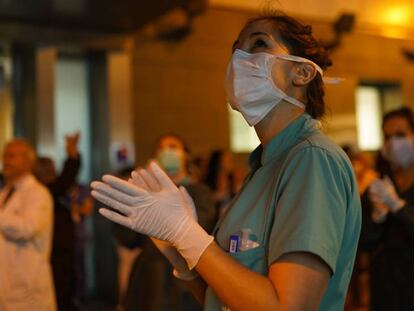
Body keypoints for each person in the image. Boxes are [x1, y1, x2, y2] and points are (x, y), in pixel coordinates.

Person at [91, 11, 361, 311]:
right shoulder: (262, 169)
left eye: (259, 44)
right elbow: (222, 297)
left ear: (302, 73)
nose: (240, 59)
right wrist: (178, 249)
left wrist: (188, 234)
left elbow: (287, 306)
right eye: (236, 50)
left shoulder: (311, 160)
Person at [125, 134, 216, 311]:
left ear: (185, 155)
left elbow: (201, 227)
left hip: (184, 281)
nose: (167, 151)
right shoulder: (147, 193)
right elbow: (129, 238)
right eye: (162, 148)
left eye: (173, 147)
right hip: (150, 277)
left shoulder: (199, 191)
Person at [362, 107, 414, 311]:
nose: (393, 143)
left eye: (400, 135)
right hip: (387, 289)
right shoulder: (380, 185)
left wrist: (399, 207)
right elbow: (364, 243)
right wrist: (376, 219)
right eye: (387, 136)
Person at [0, 139, 55, 310]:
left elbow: (28, 228)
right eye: (4, 156)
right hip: (7, 285)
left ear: (27, 161)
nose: (5, 161)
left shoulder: (38, 193)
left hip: (28, 286)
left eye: (11, 156)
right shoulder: (6, 191)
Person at [34, 133, 81, 311]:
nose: (52, 172)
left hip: (60, 250)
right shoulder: (44, 191)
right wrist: (71, 154)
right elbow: (66, 179)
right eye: (48, 168)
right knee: (60, 291)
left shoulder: (47, 192)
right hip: (55, 253)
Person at [204, 150, 237, 220]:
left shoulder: (231, 180)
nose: (232, 162)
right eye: (229, 160)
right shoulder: (209, 181)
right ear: (219, 162)